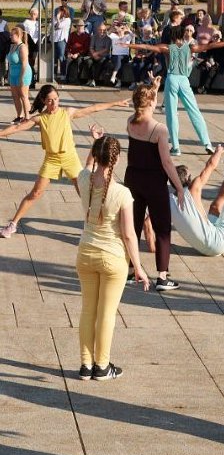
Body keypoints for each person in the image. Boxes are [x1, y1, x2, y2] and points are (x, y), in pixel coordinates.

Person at [0, 85, 129, 238]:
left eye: (56, 99)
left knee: (84, 192)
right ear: (44, 101)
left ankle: (93, 224)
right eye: (49, 100)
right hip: (52, 159)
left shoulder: (67, 112)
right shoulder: (40, 119)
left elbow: (92, 108)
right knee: (35, 193)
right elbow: (16, 128)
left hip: (70, 158)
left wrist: (114, 103)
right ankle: (13, 224)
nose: (54, 103)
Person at [76, 135, 150, 381]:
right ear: (117, 160)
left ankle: (86, 366)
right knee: (106, 314)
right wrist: (138, 267)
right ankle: (102, 366)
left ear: (96, 156)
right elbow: (129, 234)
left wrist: (94, 144)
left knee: (88, 310)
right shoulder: (122, 193)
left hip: (85, 253)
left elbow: (86, 168)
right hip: (113, 259)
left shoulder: (84, 180)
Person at [124, 81, 184, 291]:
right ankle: (162, 276)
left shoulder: (130, 121)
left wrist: (153, 90)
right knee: (162, 229)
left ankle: (131, 271)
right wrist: (179, 187)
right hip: (154, 182)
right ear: (150, 102)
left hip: (132, 179)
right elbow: (167, 163)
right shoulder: (159, 129)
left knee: (134, 225)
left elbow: (145, 105)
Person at [130, 25, 216, 156]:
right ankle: (207, 143)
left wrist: (127, 45)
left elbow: (147, 47)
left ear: (172, 36)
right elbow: (210, 47)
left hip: (172, 79)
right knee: (195, 112)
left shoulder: (168, 48)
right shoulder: (189, 47)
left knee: (171, 114)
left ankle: (176, 147)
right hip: (184, 80)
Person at [169, 144, 224, 256]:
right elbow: (210, 165)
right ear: (189, 178)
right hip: (218, 243)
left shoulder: (169, 200)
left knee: (215, 207)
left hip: (203, 248)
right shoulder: (193, 189)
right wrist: (218, 151)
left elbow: (149, 221)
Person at [6, 26, 31, 123]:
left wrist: (21, 77)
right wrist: (9, 74)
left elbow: (24, 64)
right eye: (10, 35)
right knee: (15, 96)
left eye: (12, 35)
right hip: (13, 73)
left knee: (24, 96)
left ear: (19, 35)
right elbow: (10, 62)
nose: (10, 37)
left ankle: (27, 117)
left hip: (23, 73)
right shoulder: (12, 46)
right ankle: (19, 116)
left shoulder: (23, 47)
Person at [107, 22, 133, 87]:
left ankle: (114, 76)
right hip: (115, 56)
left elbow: (133, 35)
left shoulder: (127, 37)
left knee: (119, 61)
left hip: (125, 56)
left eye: (122, 28)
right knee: (119, 62)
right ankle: (118, 81)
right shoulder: (114, 36)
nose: (120, 30)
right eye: (119, 28)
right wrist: (112, 28)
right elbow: (107, 34)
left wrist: (128, 30)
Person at [86, 22, 112, 87]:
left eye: (104, 30)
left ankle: (94, 80)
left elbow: (106, 49)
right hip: (94, 55)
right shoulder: (94, 37)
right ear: (98, 30)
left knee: (99, 63)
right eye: (100, 30)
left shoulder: (108, 39)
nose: (102, 31)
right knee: (88, 62)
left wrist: (96, 54)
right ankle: (90, 79)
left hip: (104, 56)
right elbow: (91, 47)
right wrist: (94, 54)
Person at [53, 5, 72, 81]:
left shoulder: (67, 20)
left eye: (61, 11)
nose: (59, 12)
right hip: (54, 39)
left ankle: (63, 74)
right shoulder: (55, 18)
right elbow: (53, 26)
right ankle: (54, 73)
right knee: (54, 57)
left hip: (62, 39)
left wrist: (57, 19)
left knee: (61, 57)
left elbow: (59, 26)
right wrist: (57, 19)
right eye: (59, 11)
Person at [22, 8, 40, 86]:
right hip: (29, 42)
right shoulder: (26, 22)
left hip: (36, 43)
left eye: (35, 14)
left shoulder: (38, 23)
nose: (33, 15)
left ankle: (32, 79)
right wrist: (26, 44)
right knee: (28, 61)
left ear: (37, 15)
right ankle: (29, 79)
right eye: (32, 14)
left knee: (33, 61)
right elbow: (25, 33)